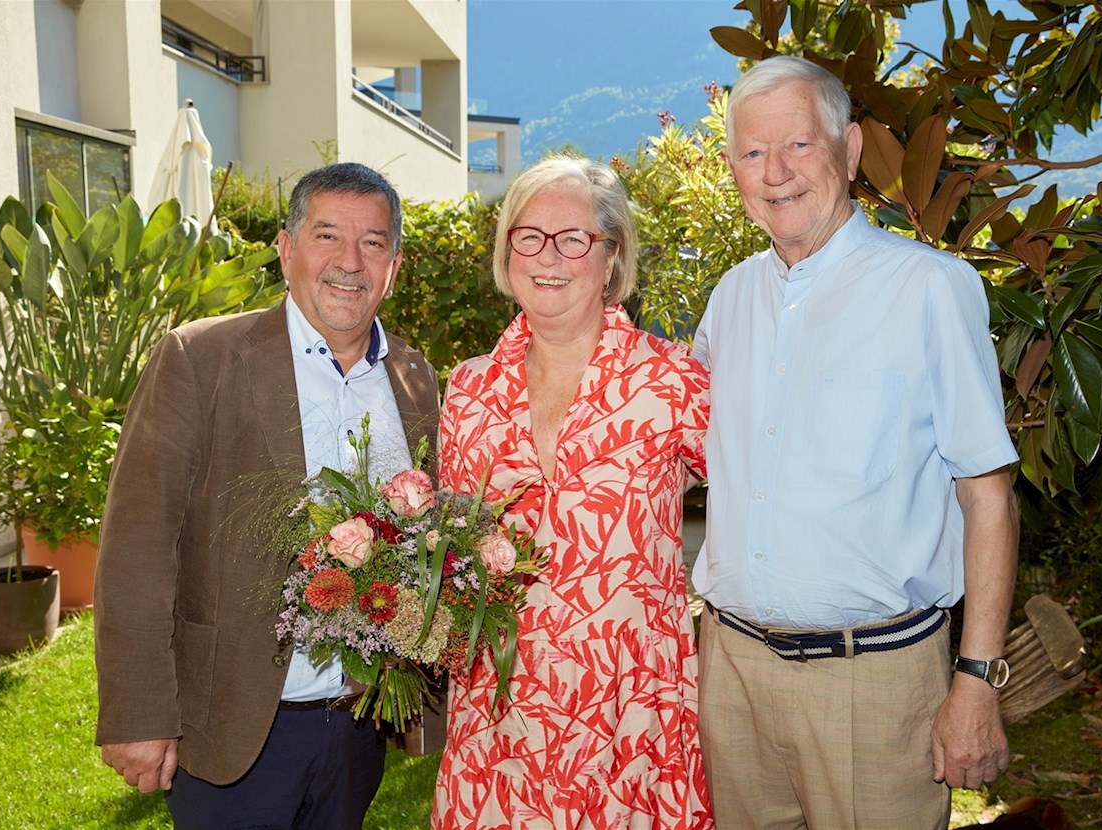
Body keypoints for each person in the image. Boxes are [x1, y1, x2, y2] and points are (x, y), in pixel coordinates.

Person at [692, 56, 1020, 829]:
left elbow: (988, 499)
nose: (773, 173)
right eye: (750, 153)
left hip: (872, 680)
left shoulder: (929, 289)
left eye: (798, 146)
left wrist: (975, 682)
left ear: (847, 150)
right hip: (730, 672)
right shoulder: (730, 297)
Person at [94, 163, 440, 829]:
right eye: (326, 236)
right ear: (286, 250)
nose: (349, 262)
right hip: (231, 724)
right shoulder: (200, 359)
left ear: (393, 265)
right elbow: (138, 546)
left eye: (373, 243)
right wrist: (138, 714)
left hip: (358, 724)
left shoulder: (413, 376)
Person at [432, 157, 713, 829]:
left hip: (631, 717)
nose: (547, 257)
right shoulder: (468, 389)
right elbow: (446, 553)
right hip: (498, 719)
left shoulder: (671, 381)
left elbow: (766, 501)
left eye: (573, 238)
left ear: (611, 257)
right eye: (528, 236)